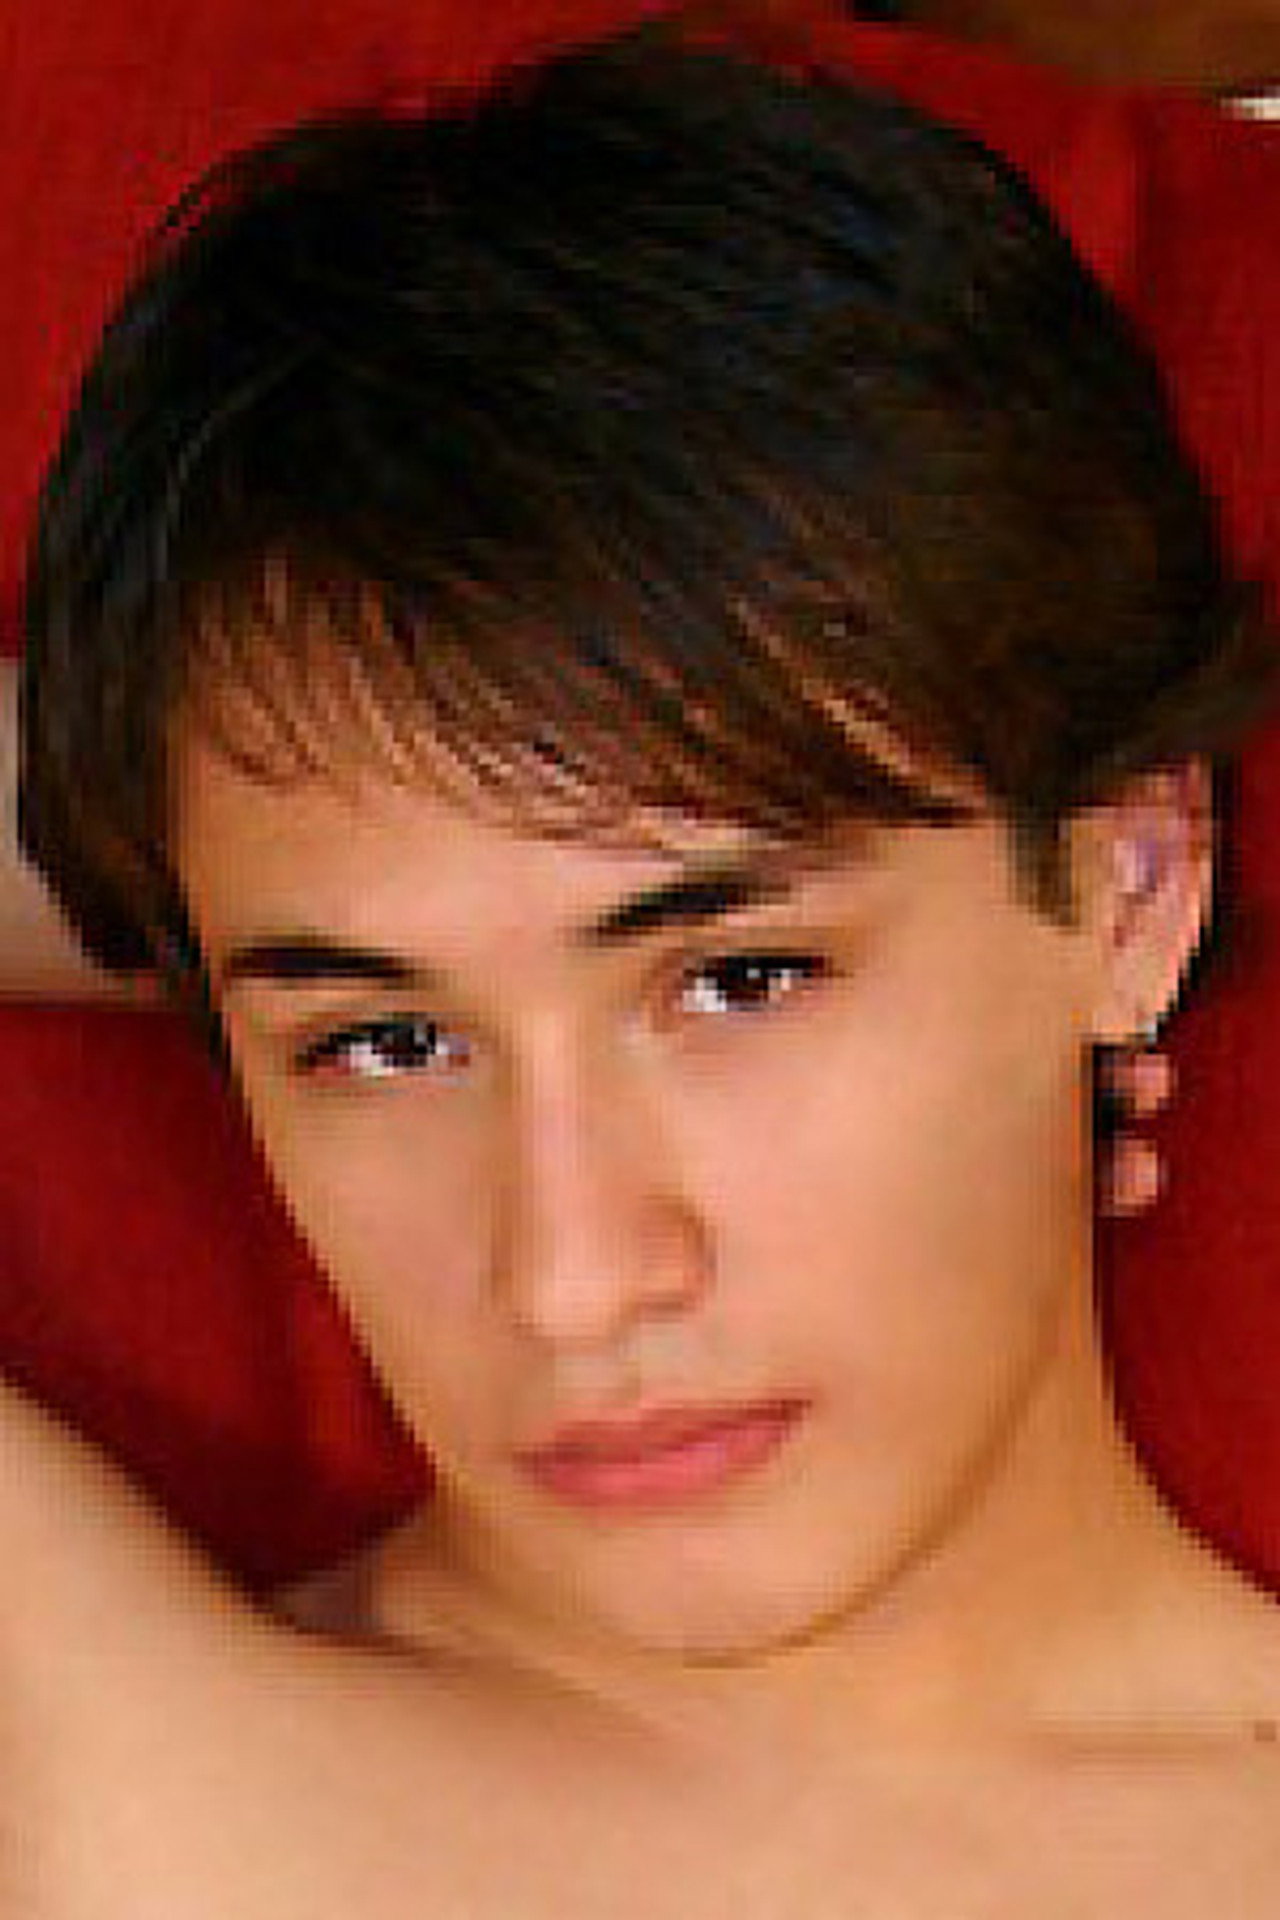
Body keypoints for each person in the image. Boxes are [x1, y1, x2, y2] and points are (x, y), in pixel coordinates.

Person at [6, 18, 1280, 1912]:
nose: (576, 1276)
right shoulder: (84, 1741)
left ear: (1134, 882)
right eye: (387, 1042)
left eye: (741, 982)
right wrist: (165, 846)